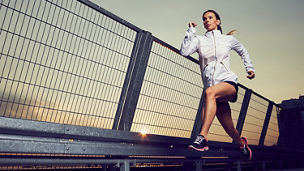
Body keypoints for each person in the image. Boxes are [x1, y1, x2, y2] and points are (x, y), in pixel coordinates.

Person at [180, 10, 255, 160]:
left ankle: (203, 138)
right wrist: (190, 31)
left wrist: (250, 68)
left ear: (218, 21)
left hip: (228, 83)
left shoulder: (228, 39)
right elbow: (184, 51)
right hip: (213, 93)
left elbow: (243, 51)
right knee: (231, 130)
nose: (206, 20)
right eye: (204, 19)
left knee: (209, 93)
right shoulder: (199, 40)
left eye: (210, 18)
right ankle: (242, 144)